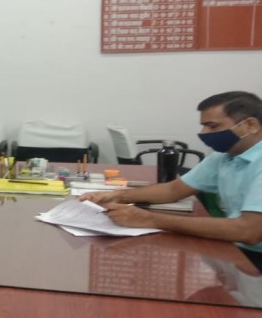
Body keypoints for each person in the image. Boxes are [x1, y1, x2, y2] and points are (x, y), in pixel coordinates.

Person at [80, 91, 262, 270]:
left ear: (250, 125)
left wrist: (149, 219)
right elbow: (173, 190)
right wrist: (119, 196)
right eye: (203, 126)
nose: (204, 133)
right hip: (236, 247)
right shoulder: (225, 156)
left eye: (212, 126)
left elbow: (248, 231)